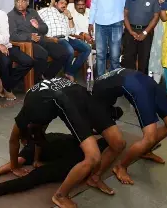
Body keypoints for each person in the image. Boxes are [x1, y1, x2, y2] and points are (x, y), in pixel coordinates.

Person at [9, 77, 101, 208]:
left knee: (93, 157)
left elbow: (13, 141)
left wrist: (14, 167)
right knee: (94, 155)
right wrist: (36, 160)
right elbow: (37, 136)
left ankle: (60, 196)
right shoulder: (38, 108)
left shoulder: (29, 114)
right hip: (73, 91)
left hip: (68, 98)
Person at [92, 68, 167, 185]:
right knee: (149, 137)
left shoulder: (101, 87)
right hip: (137, 85)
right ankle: (121, 167)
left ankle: (145, 151)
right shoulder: (100, 93)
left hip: (143, 82)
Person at [0, 133, 111, 201]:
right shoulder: (52, 135)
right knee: (103, 144)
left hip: (76, 161)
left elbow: (16, 162)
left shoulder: (30, 147)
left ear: (24, 141)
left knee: (36, 176)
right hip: (80, 149)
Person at [89, 0, 137, 76]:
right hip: (100, 23)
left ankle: (114, 83)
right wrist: (91, 22)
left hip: (116, 22)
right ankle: (100, 82)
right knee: (100, 54)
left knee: (115, 56)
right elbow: (94, 2)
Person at [8, 0, 68, 81]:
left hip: (41, 39)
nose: (20, 3)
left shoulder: (33, 12)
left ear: (28, 2)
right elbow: (12, 35)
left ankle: (46, 77)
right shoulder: (11, 15)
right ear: (14, 2)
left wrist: (38, 26)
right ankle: (37, 81)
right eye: (17, 1)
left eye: (23, 0)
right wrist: (29, 36)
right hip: (25, 43)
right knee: (42, 54)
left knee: (63, 53)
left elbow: (45, 29)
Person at [39, 0, 90, 82]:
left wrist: (70, 17)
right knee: (69, 50)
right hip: (55, 39)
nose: (64, 5)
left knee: (87, 48)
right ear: (55, 3)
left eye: (65, 4)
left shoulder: (66, 14)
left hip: (67, 37)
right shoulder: (46, 11)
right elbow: (33, 17)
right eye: (61, 3)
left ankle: (69, 72)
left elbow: (72, 32)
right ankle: (66, 73)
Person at [123, 0, 160, 74]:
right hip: (130, 31)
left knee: (144, 62)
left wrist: (145, 32)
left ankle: (142, 88)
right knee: (128, 61)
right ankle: (129, 87)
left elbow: (156, 16)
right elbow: (125, 14)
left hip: (146, 33)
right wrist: (130, 31)